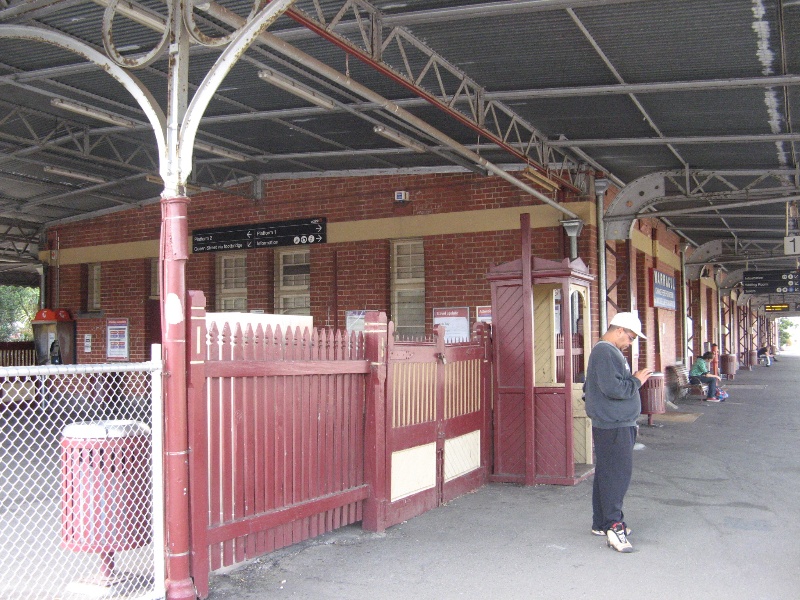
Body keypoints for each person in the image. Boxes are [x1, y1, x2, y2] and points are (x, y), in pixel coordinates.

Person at [584, 311, 652, 553]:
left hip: (612, 421)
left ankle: (602, 522)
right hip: (615, 423)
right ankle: (614, 525)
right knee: (617, 475)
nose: (630, 343)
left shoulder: (606, 352)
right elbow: (613, 388)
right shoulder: (606, 352)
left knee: (607, 472)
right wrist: (636, 381)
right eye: (631, 337)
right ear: (619, 330)